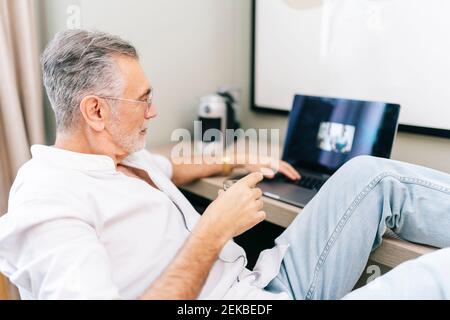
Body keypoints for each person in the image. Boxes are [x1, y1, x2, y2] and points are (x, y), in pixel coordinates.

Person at [1, 30, 449, 300]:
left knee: (372, 174)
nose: (153, 112)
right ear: (95, 111)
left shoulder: (120, 158)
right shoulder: (49, 203)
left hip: (261, 282)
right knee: (438, 274)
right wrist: (212, 230)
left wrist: (237, 154)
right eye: (143, 100)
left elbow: (170, 164)